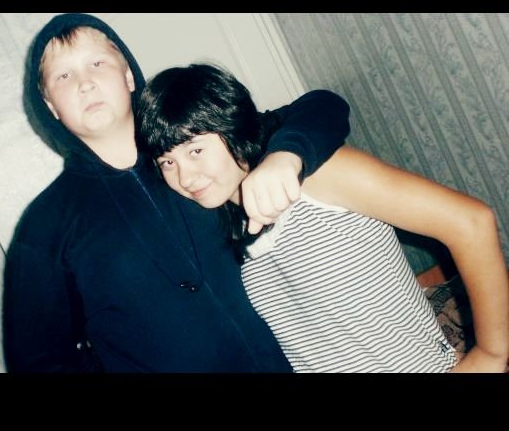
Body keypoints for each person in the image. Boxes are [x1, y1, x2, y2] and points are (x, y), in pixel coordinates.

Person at [2, 13, 351, 372]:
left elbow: (323, 106)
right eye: (63, 75)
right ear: (50, 106)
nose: (85, 83)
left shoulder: (201, 152)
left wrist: (287, 154)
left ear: (128, 75)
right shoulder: (44, 226)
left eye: (97, 63)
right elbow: (37, 362)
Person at [135, 62, 509, 373]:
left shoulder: (317, 175)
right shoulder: (233, 229)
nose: (185, 177)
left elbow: (471, 222)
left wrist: (491, 355)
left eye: (195, 150)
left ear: (230, 126)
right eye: (167, 162)